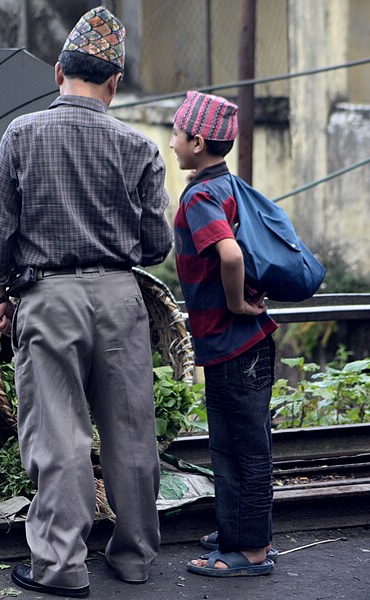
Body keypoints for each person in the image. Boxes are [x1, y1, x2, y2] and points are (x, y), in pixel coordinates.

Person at [0, 7, 172, 598]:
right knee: (131, 431)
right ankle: (135, 558)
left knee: (60, 434)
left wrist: (0, 293)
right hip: (120, 295)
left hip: (48, 296)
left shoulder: (22, 134)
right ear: (114, 82)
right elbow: (158, 244)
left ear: (59, 72)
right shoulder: (139, 147)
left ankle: (61, 567)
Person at [170, 91, 278, 577]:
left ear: (196, 140)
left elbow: (230, 254)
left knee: (240, 446)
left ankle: (251, 551)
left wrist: (234, 302)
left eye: (175, 134)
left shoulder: (199, 196)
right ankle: (239, 527)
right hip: (237, 344)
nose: (171, 143)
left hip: (234, 343)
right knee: (232, 442)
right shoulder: (226, 185)